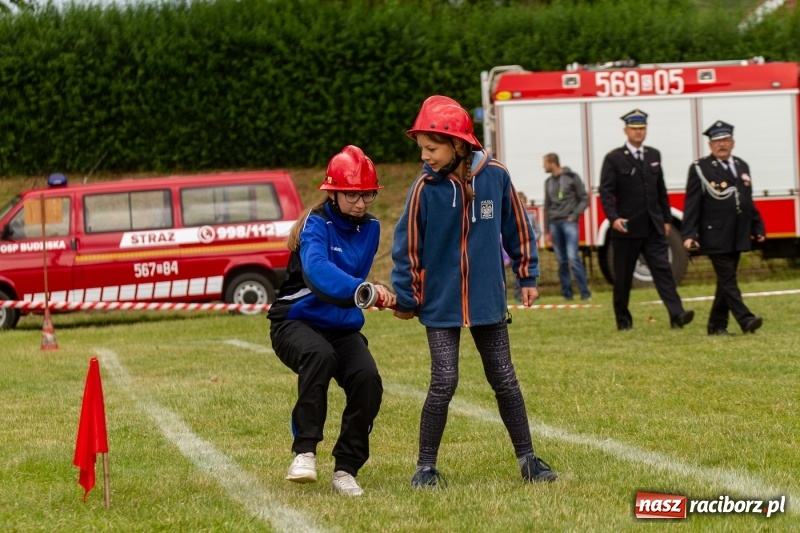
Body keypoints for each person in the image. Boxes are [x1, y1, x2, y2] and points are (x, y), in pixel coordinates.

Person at [391, 95, 557, 488]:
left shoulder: (496, 175)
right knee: (443, 381)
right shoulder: (423, 188)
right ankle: (425, 467)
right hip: (440, 303)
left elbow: (519, 228)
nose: (425, 157)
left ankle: (529, 460)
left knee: (504, 377)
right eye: (422, 150)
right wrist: (407, 295)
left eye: (431, 149)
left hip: (487, 301)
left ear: (459, 144)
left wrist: (527, 275)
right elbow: (407, 246)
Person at [267, 145, 395, 496]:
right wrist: (363, 289)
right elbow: (319, 273)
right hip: (296, 322)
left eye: (367, 194)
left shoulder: (371, 228)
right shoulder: (315, 224)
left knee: (368, 381)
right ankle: (304, 452)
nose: (360, 202)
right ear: (333, 192)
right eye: (352, 194)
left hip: (341, 325)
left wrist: (396, 295)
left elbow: (357, 282)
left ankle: (345, 470)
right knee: (319, 356)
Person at [599, 109, 694, 331]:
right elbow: (606, 192)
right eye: (634, 129)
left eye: (642, 129)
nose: (638, 132)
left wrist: (666, 218)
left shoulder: (653, 155)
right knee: (622, 278)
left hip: (653, 226)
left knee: (663, 272)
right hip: (627, 228)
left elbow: (660, 188)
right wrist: (613, 219)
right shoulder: (614, 158)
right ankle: (623, 321)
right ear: (626, 131)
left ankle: (677, 315)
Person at [681, 121, 765, 335]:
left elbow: (747, 200)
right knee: (728, 279)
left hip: (738, 232)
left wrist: (757, 226)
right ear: (710, 144)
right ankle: (745, 319)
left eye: (725, 140)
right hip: (715, 233)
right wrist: (689, 233)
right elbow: (692, 203)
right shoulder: (701, 168)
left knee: (725, 282)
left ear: (733, 143)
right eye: (717, 141)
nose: (722, 145)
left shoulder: (742, 165)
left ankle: (716, 326)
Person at [542, 153, 591, 301]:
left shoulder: (572, 177)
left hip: (569, 223)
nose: (543, 166)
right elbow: (547, 206)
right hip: (555, 225)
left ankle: (585, 293)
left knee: (572, 257)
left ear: (552, 163)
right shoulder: (548, 182)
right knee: (561, 260)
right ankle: (567, 294)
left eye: (545, 163)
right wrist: (546, 230)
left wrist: (574, 216)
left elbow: (584, 199)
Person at [513, 191, 541, 303]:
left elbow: (537, 230)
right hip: (516, 249)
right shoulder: (511, 217)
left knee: (531, 272)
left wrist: (532, 239)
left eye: (522, 201)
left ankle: (533, 295)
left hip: (529, 249)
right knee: (517, 274)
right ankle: (517, 296)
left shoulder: (531, 216)